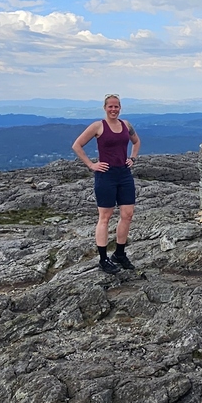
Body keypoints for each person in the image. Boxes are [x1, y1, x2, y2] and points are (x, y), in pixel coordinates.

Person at [72, 93, 141, 274]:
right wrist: (91, 164)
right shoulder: (98, 126)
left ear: (120, 108)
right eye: (110, 106)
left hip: (124, 174)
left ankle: (119, 253)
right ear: (105, 108)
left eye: (116, 106)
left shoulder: (126, 125)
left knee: (127, 214)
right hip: (106, 175)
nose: (113, 109)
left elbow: (136, 141)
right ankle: (103, 259)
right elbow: (77, 145)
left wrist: (132, 158)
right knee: (105, 217)